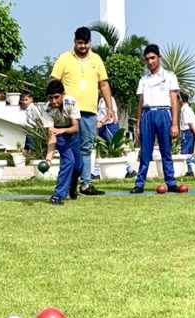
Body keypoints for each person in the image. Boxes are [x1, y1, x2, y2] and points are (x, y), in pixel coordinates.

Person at [50, 26, 114, 196]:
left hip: (89, 112)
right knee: (70, 151)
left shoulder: (97, 59)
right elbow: (53, 82)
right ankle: (69, 184)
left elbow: (104, 84)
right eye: (80, 43)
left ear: (90, 42)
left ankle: (86, 184)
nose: (83, 46)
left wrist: (110, 108)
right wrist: (56, 105)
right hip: (68, 114)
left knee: (86, 148)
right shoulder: (64, 58)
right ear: (74, 42)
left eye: (86, 43)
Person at [130, 44, 180, 194]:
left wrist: (175, 124)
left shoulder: (170, 76)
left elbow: (174, 101)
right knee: (145, 152)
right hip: (147, 114)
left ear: (159, 58)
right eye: (147, 59)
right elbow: (140, 103)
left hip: (164, 113)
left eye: (153, 58)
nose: (150, 62)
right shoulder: (143, 79)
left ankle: (171, 182)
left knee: (166, 150)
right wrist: (138, 124)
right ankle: (139, 184)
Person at [42, 80, 83, 205]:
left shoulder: (71, 102)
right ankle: (57, 195)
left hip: (72, 134)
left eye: (56, 97)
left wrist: (63, 130)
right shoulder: (47, 109)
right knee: (69, 161)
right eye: (50, 98)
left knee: (78, 167)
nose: (54, 101)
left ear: (63, 94)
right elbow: (51, 135)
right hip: (59, 137)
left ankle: (72, 184)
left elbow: (76, 127)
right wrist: (48, 158)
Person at [92, 88, 137, 179]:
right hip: (104, 127)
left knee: (117, 148)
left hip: (110, 126)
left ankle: (130, 170)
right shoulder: (101, 100)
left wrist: (101, 122)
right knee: (100, 147)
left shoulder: (110, 99)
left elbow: (110, 113)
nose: (97, 91)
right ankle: (96, 172)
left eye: (99, 89)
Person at [19, 90, 41, 158]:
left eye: (26, 100)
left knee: (30, 147)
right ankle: (26, 159)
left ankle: (32, 158)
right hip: (29, 129)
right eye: (23, 100)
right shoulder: (28, 109)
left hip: (33, 129)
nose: (25, 102)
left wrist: (36, 129)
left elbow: (38, 119)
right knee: (27, 147)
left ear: (31, 99)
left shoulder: (33, 108)